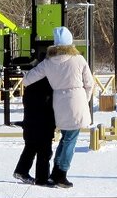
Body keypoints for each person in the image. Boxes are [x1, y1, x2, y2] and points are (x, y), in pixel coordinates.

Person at [21, 26, 94, 188]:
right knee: (70, 140)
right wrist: (85, 100)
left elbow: (27, 80)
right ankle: (61, 173)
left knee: (65, 138)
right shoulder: (79, 60)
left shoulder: (48, 63)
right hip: (77, 100)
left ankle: (56, 172)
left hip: (59, 102)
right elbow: (90, 83)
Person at [13, 74, 55, 185]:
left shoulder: (30, 87)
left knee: (30, 148)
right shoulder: (48, 88)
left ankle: (21, 170)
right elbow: (50, 107)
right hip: (44, 124)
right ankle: (42, 178)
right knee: (44, 151)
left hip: (30, 123)